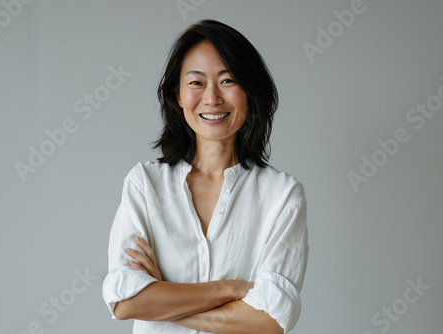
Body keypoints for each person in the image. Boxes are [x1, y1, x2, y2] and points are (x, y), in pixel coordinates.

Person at [102, 19, 309, 334]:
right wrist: (229, 289)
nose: (212, 99)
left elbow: (270, 320)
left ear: (250, 92)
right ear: (178, 96)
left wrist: (161, 300)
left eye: (228, 81)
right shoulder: (145, 184)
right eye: (196, 83)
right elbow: (124, 301)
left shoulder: (282, 195)